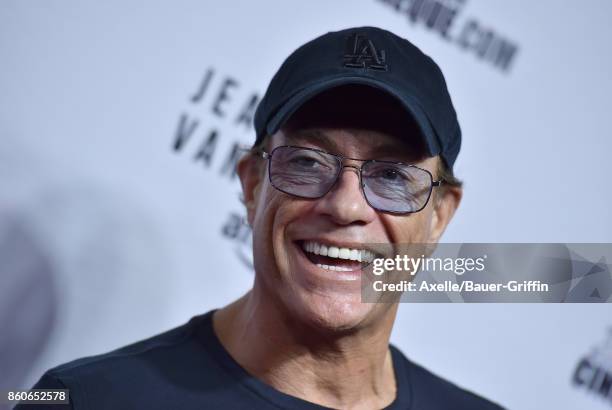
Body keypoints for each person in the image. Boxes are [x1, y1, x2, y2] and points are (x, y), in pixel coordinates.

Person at [18, 26, 503, 409]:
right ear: (252, 186)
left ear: (440, 216)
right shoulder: (83, 401)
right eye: (309, 163)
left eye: (393, 176)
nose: (347, 206)